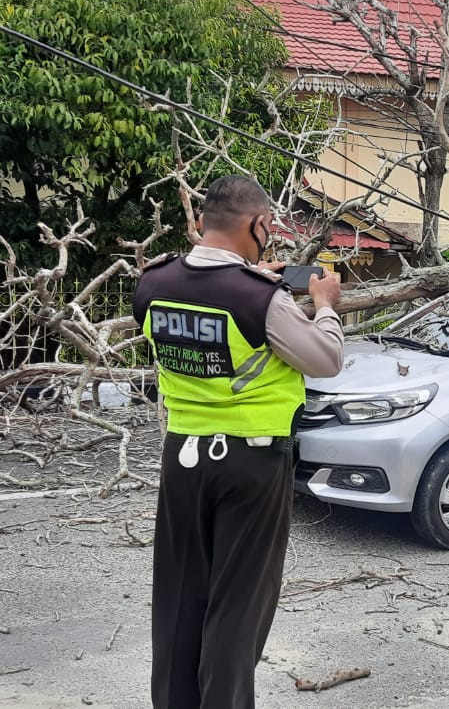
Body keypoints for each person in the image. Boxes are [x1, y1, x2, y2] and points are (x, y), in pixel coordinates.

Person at [133, 175, 346, 709]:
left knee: (180, 597)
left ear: (202, 222)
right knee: (237, 605)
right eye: (267, 229)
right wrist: (324, 304)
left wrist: (253, 280)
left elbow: (205, 303)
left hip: (181, 459)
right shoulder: (264, 300)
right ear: (259, 226)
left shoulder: (152, 284)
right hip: (251, 466)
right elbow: (326, 359)